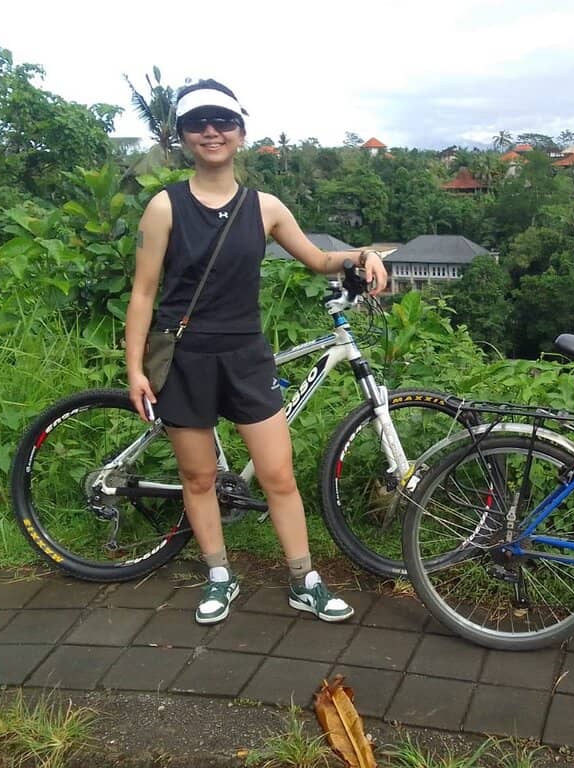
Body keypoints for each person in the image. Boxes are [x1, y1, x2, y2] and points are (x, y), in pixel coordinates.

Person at [125, 79, 388, 625]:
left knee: (277, 475)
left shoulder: (264, 207)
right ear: (183, 137)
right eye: (198, 123)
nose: (211, 131)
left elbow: (317, 259)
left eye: (222, 121)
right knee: (197, 479)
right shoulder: (164, 207)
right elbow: (144, 292)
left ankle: (303, 580)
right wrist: (135, 369)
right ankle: (219, 575)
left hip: (246, 355)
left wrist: (361, 254)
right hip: (184, 357)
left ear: (241, 133)